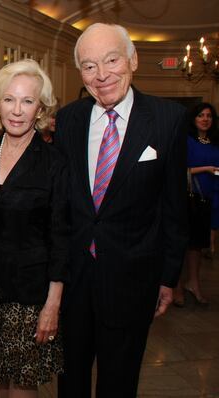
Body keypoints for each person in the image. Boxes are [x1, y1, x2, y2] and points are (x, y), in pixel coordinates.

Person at [55, 23, 188, 398]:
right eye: (89, 65)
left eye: (112, 60)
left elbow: (174, 206)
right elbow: (61, 202)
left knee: (119, 383)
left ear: (132, 60)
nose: (102, 75)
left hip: (134, 279)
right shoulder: (69, 120)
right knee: (71, 382)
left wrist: (168, 277)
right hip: (75, 279)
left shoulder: (167, 119)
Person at [0, 59, 67, 398]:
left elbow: (61, 236)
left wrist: (53, 304)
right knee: (0, 376)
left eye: (28, 101)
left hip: (30, 297)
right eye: (10, 99)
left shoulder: (54, 163)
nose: (17, 110)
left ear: (40, 109)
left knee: (23, 382)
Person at [174, 102, 218, 306]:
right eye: (201, 115)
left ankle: (194, 283)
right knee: (180, 245)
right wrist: (206, 168)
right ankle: (176, 286)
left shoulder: (215, 142)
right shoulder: (187, 141)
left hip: (208, 198)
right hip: (186, 198)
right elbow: (177, 171)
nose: (205, 119)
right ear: (193, 119)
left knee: (197, 247)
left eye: (208, 115)